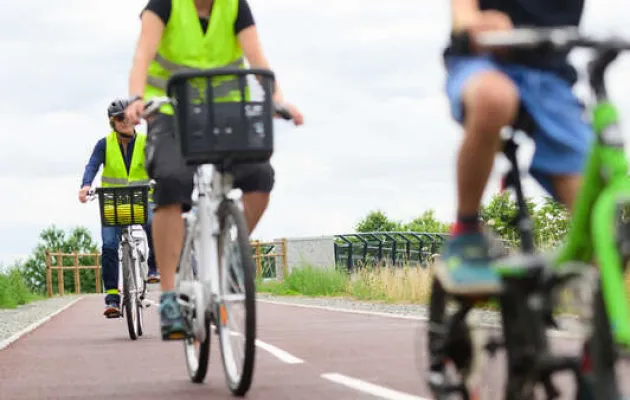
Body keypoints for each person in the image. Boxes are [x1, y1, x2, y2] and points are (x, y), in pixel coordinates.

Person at [123, 0, 304, 340]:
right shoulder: (164, 5)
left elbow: (257, 58)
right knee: (172, 182)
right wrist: (136, 97)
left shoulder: (234, 7)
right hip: (170, 112)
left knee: (260, 177)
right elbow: (142, 56)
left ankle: (229, 254)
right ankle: (168, 297)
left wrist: (279, 98)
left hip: (224, 114)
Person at [434, 0, 590, 295]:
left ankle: (604, 332)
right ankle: (466, 231)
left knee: (598, 225)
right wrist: (472, 24)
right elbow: (463, 10)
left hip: (550, 77)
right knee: (494, 98)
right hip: (484, 60)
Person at [79, 99, 161, 318]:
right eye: (119, 118)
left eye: (127, 116)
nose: (124, 121)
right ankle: (113, 299)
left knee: (153, 223)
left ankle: (154, 268)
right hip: (113, 203)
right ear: (112, 122)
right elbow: (92, 166)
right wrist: (86, 185)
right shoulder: (104, 144)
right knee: (108, 245)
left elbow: (159, 164)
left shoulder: (146, 142)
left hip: (143, 199)